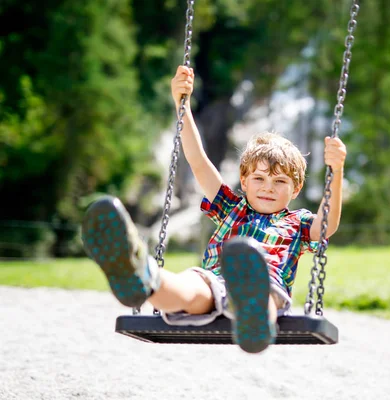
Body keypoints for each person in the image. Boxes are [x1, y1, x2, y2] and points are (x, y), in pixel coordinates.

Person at [81, 66, 347, 354]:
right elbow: (197, 160)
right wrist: (181, 104)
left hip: (263, 284)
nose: (268, 187)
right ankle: (141, 275)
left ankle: (254, 320)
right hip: (215, 279)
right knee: (189, 287)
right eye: (259, 178)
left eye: (279, 181)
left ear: (295, 190)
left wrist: (337, 169)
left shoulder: (298, 222)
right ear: (244, 181)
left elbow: (327, 225)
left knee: (263, 292)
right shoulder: (231, 207)